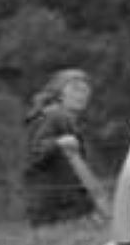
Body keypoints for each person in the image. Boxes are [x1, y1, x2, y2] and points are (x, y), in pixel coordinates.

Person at [23, 68, 96, 227]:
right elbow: (35, 152)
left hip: (67, 209)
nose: (81, 94)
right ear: (59, 92)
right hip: (51, 211)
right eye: (75, 89)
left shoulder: (69, 120)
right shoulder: (53, 115)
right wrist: (58, 142)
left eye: (85, 90)